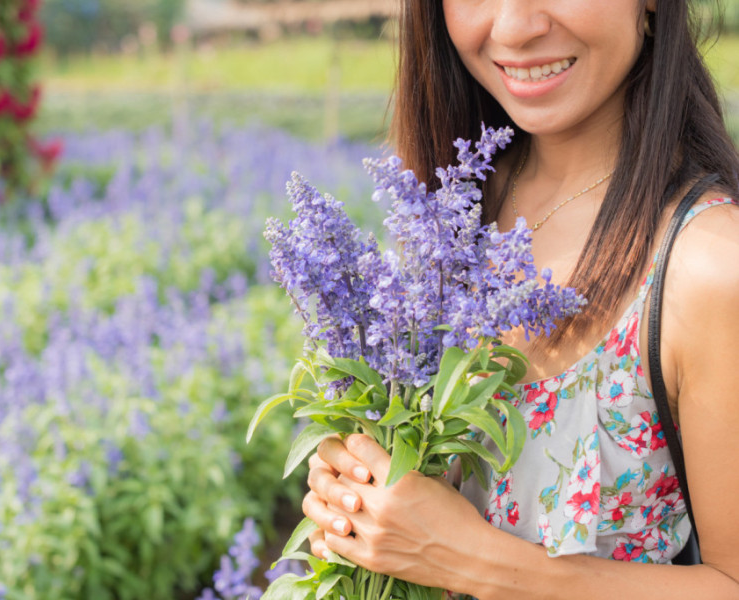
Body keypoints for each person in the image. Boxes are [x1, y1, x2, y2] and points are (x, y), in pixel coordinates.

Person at [301, 0, 739, 597]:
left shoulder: (710, 264)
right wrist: (357, 485)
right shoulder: (448, 215)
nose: (512, 27)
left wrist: (474, 561)